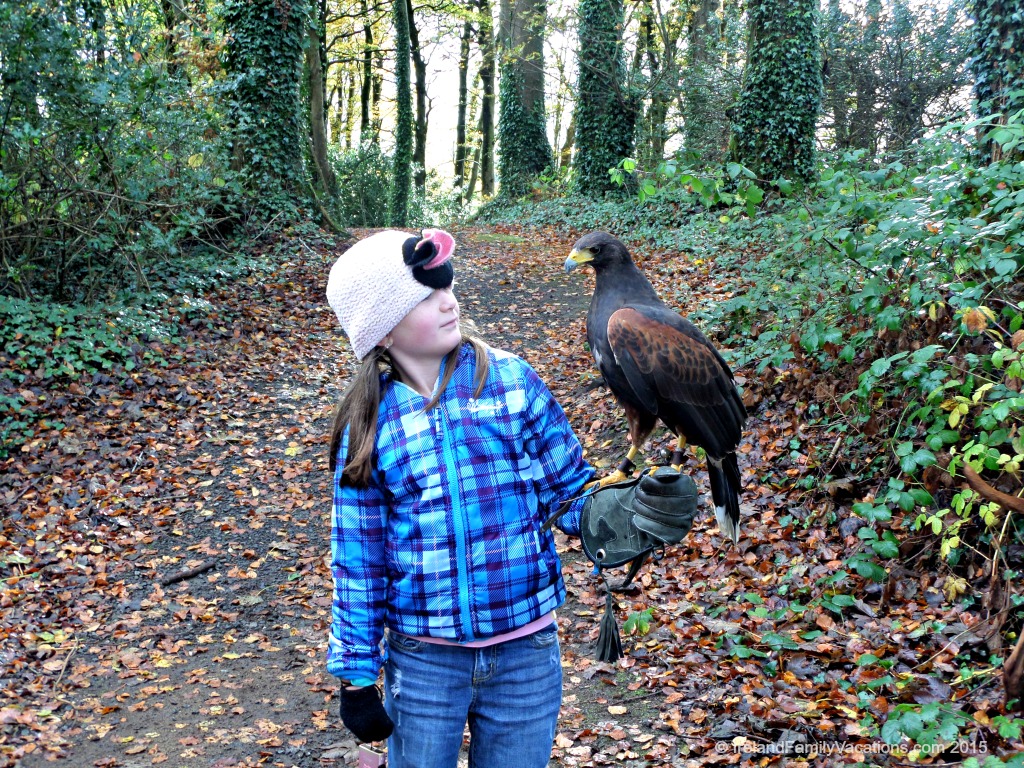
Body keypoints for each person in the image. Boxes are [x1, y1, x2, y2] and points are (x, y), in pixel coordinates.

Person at [324, 229, 698, 768]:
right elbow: (358, 562)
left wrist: (627, 511)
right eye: (425, 298)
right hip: (425, 661)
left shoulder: (511, 383)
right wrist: (357, 677)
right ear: (380, 331)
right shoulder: (369, 425)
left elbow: (570, 491)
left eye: (446, 288)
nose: (448, 300)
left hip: (526, 657)